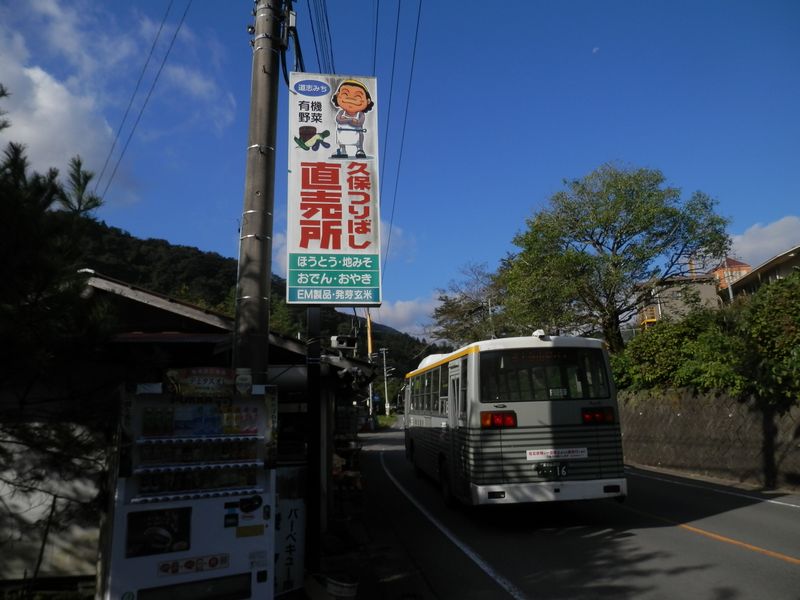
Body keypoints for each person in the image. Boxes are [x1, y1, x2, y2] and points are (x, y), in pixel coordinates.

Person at [330, 79, 374, 159]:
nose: (351, 99)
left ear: (367, 101)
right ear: (337, 95)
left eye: (357, 96)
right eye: (345, 94)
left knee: (359, 136)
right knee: (340, 137)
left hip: (356, 133)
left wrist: (346, 120)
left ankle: (360, 149)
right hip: (342, 132)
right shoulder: (341, 112)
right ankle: (342, 149)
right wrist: (350, 120)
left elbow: (360, 123)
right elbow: (338, 120)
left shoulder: (360, 114)